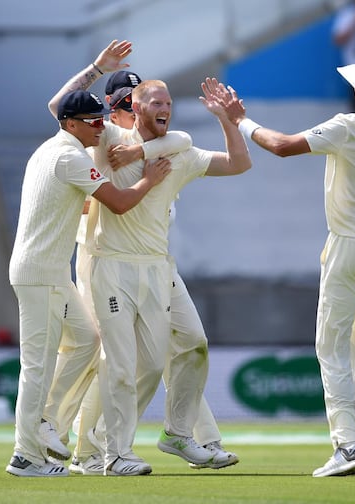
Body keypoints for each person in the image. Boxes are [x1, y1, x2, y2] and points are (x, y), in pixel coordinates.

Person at [225, 52, 355, 477]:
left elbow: (282, 147)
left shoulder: (348, 126)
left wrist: (239, 122)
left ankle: (347, 445)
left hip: (349, 246)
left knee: (331, 345)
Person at [46, 50, 251, 475]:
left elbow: (238, 162)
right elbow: (58, 107)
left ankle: (161, 436)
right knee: (117, 361)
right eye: (155, 102)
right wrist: (98, 69)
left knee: (158, 362)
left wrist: (227, 121)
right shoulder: (108, 141)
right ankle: (109, 451)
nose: (164, 109)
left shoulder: (178, 151)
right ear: (133, 108)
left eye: (169, 103)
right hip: (110, 263)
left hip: (156, 268)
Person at [5, 69, 172, 475]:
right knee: (37, 364)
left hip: (49, 270)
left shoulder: (53, 149)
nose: (101, 127)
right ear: (71, 124)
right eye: (94, 122)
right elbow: (117, 202)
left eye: (103, 119)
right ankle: (26, 455)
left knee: (86, 340)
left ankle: (47, 421)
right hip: (40, 273)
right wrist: (149, 178)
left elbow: (73, 203)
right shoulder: (69, 156)